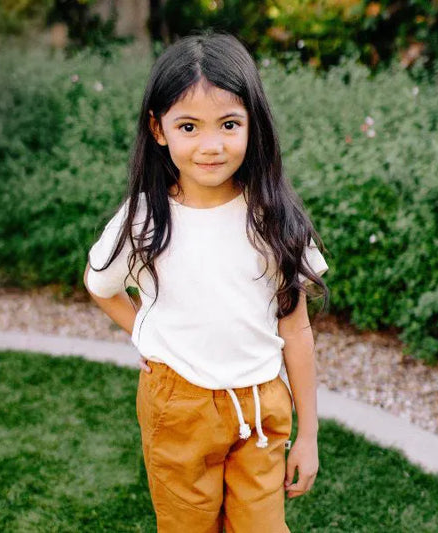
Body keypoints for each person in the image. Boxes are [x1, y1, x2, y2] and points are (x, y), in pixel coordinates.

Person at [83, 31, 330, 533]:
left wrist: (309, 434)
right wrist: (148, 336)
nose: (211, 145)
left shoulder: (274, 218)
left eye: (229, 124)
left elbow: (296, 330)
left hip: (262, 407)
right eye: (189, 126)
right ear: (159, 129)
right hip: (178, 406)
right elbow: (101, 285)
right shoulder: (144, 218)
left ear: (252, 126)